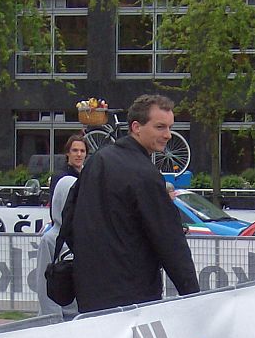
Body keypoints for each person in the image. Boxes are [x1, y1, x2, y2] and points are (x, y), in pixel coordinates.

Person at [70, 93, 199, 313]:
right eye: (160, 127)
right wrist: (195, 297)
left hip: (89, 290)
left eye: (170, 127)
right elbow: (169, 240)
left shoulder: (97, 161)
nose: (168, 135)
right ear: (136, 127)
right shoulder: (144, 174)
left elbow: (69, 218)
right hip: (133, 295)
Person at [36, 176, 78, 318]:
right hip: (61, 320)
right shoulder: (49, 240)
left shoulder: (86, 237)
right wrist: (53, 320)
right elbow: (44, 285)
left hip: (81, 318)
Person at [49, 134, 87, 204]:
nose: (79, 154)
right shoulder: (59, 177)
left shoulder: (88, 176)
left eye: (82, 151)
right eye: (75, 150)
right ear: (67, 152)